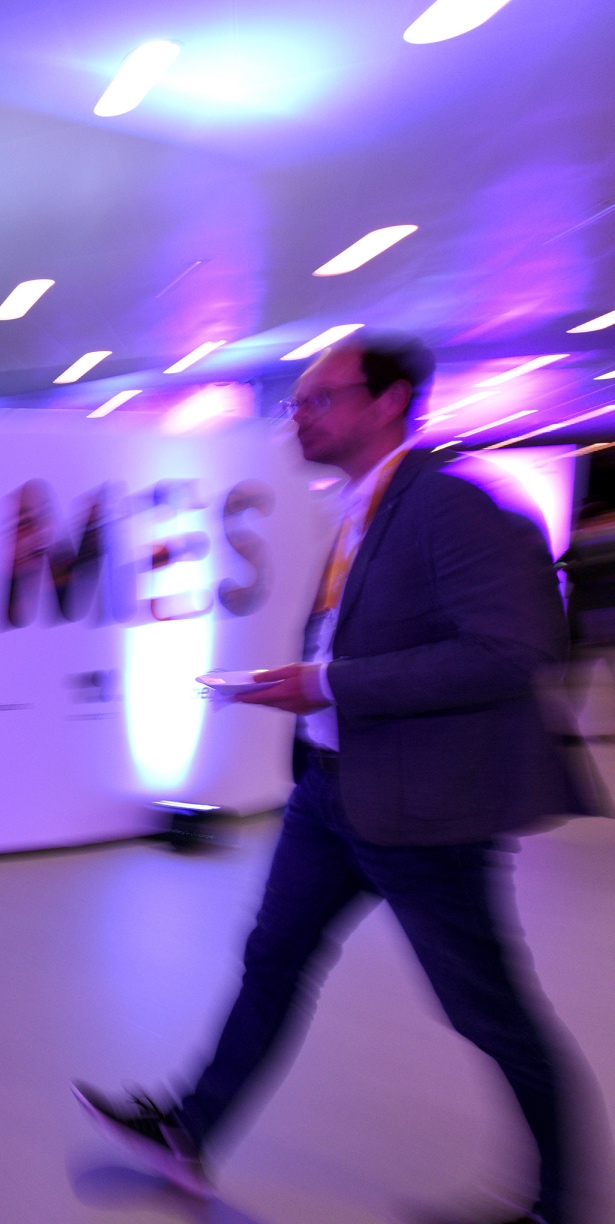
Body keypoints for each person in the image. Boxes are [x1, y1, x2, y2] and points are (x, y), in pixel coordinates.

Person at [73, 332, 588, 1224]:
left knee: (485, 1008)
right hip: (329, 791)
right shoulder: (359, 507)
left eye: (319, 399)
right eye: (295, 403)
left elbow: (512, 651)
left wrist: (326, 684)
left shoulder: (452, 504)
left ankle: (557, 1201)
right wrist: (311, 689)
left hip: (424, 807)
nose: (299, 417)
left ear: (388, 402)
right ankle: (188, 1133)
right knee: (271, 957)